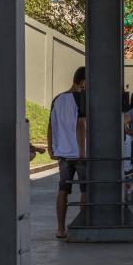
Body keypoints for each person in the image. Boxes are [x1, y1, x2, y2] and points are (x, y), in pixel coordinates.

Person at [48, 66, 87, 239]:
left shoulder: (57, 99)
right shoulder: (82, 98)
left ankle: (60, 229)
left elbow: (51, 125)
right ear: (83, 82)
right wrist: (82, 151)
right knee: (86, 189)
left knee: (63, 189)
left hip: (63, 153)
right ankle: (84, 225)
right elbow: (81, 125)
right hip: (79, 153)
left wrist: (51, 148)